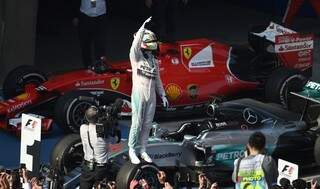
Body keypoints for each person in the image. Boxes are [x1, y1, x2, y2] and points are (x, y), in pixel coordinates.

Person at [128, 17, 169, 164]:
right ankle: (132, 149)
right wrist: (142, 28)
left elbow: (158, 79)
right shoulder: (136, 57)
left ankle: (143, 149)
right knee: (137, 123)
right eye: (151, 42)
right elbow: (134, 45)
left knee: (147, 124)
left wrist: (162, 95)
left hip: (151, 95)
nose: (154, 45)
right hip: (139, 94)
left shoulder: (153, 60)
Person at [79, 106, 110, 189]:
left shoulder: (82, 128)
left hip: (87, 167)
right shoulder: (102, 136)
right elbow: (115, 140)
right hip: (101, 169)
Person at [72, 0, 109, 68]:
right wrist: (75, 16)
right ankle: (87, 66)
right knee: (85, 43)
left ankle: (100, 65)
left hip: (101, 16)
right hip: (84, 16)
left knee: (100, 43)